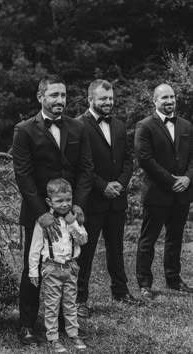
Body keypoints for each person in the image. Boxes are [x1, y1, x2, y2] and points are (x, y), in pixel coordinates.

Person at [12, 74, 93, 344]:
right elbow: (23, 175)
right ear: (41, 97)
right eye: (54, 95)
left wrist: (78, 204)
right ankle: (27, 325)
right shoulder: (24, 130)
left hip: (71, 212)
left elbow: (85, 169)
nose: (60, 100)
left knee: (67, 264)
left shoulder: (78, 128)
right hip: (39, 213)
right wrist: (41, 213)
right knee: (33, 264)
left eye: (64, 95)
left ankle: (64, 321)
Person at [76, 79, 139, 318]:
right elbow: (81, 164)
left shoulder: (120, 126)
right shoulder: (79, 125)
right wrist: (102, 186)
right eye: (103, 98)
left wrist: (121, 184)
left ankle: (120, 291)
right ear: (90, 99)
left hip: (117, 199)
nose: (108, 102)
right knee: (85, 252)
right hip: (93, 198)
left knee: (116, 247)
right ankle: (80, 299)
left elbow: (127, 160)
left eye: (111, 98)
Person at [135, 83, 193, 301]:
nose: (169, 101)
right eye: (164, 98)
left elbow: (192, 157)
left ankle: (174, 278)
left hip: (182, 193)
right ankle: (144, 283)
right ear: (155, 100)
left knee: (175, 237)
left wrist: (187, 178)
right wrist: (171, 181)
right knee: (148, 239)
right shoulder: (145, 126)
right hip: (157, 192)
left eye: (172, 97)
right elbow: (145, 159)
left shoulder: (187, 126)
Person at [29, 178, 87, 353]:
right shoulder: (43, 222)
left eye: (68, 200)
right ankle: (53, 337)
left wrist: (72, 224)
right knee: (52, 304)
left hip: (70, 268)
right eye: (59, 201)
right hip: (51, 267)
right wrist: (33, 272)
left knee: (70, 302)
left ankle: (73, 333)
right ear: (49, 201)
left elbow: (83, 240)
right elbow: (35, 248)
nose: (64, 204)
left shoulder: (73, 219)